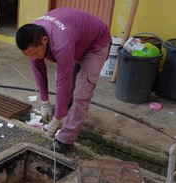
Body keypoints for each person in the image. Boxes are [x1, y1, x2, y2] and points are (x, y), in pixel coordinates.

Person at [15, 8, 111, 153]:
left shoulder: (61, 43)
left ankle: (66, 139)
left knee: (82, 93)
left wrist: (57, 117)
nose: (33, 57)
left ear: (45, 40)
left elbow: (63, 81)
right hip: (76, 39)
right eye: (29, 55)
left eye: (35, 53)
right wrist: (45, 102)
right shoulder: (32, 36)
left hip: (95, 44)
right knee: (66, 86)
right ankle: (68, 107)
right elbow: (39, 71)